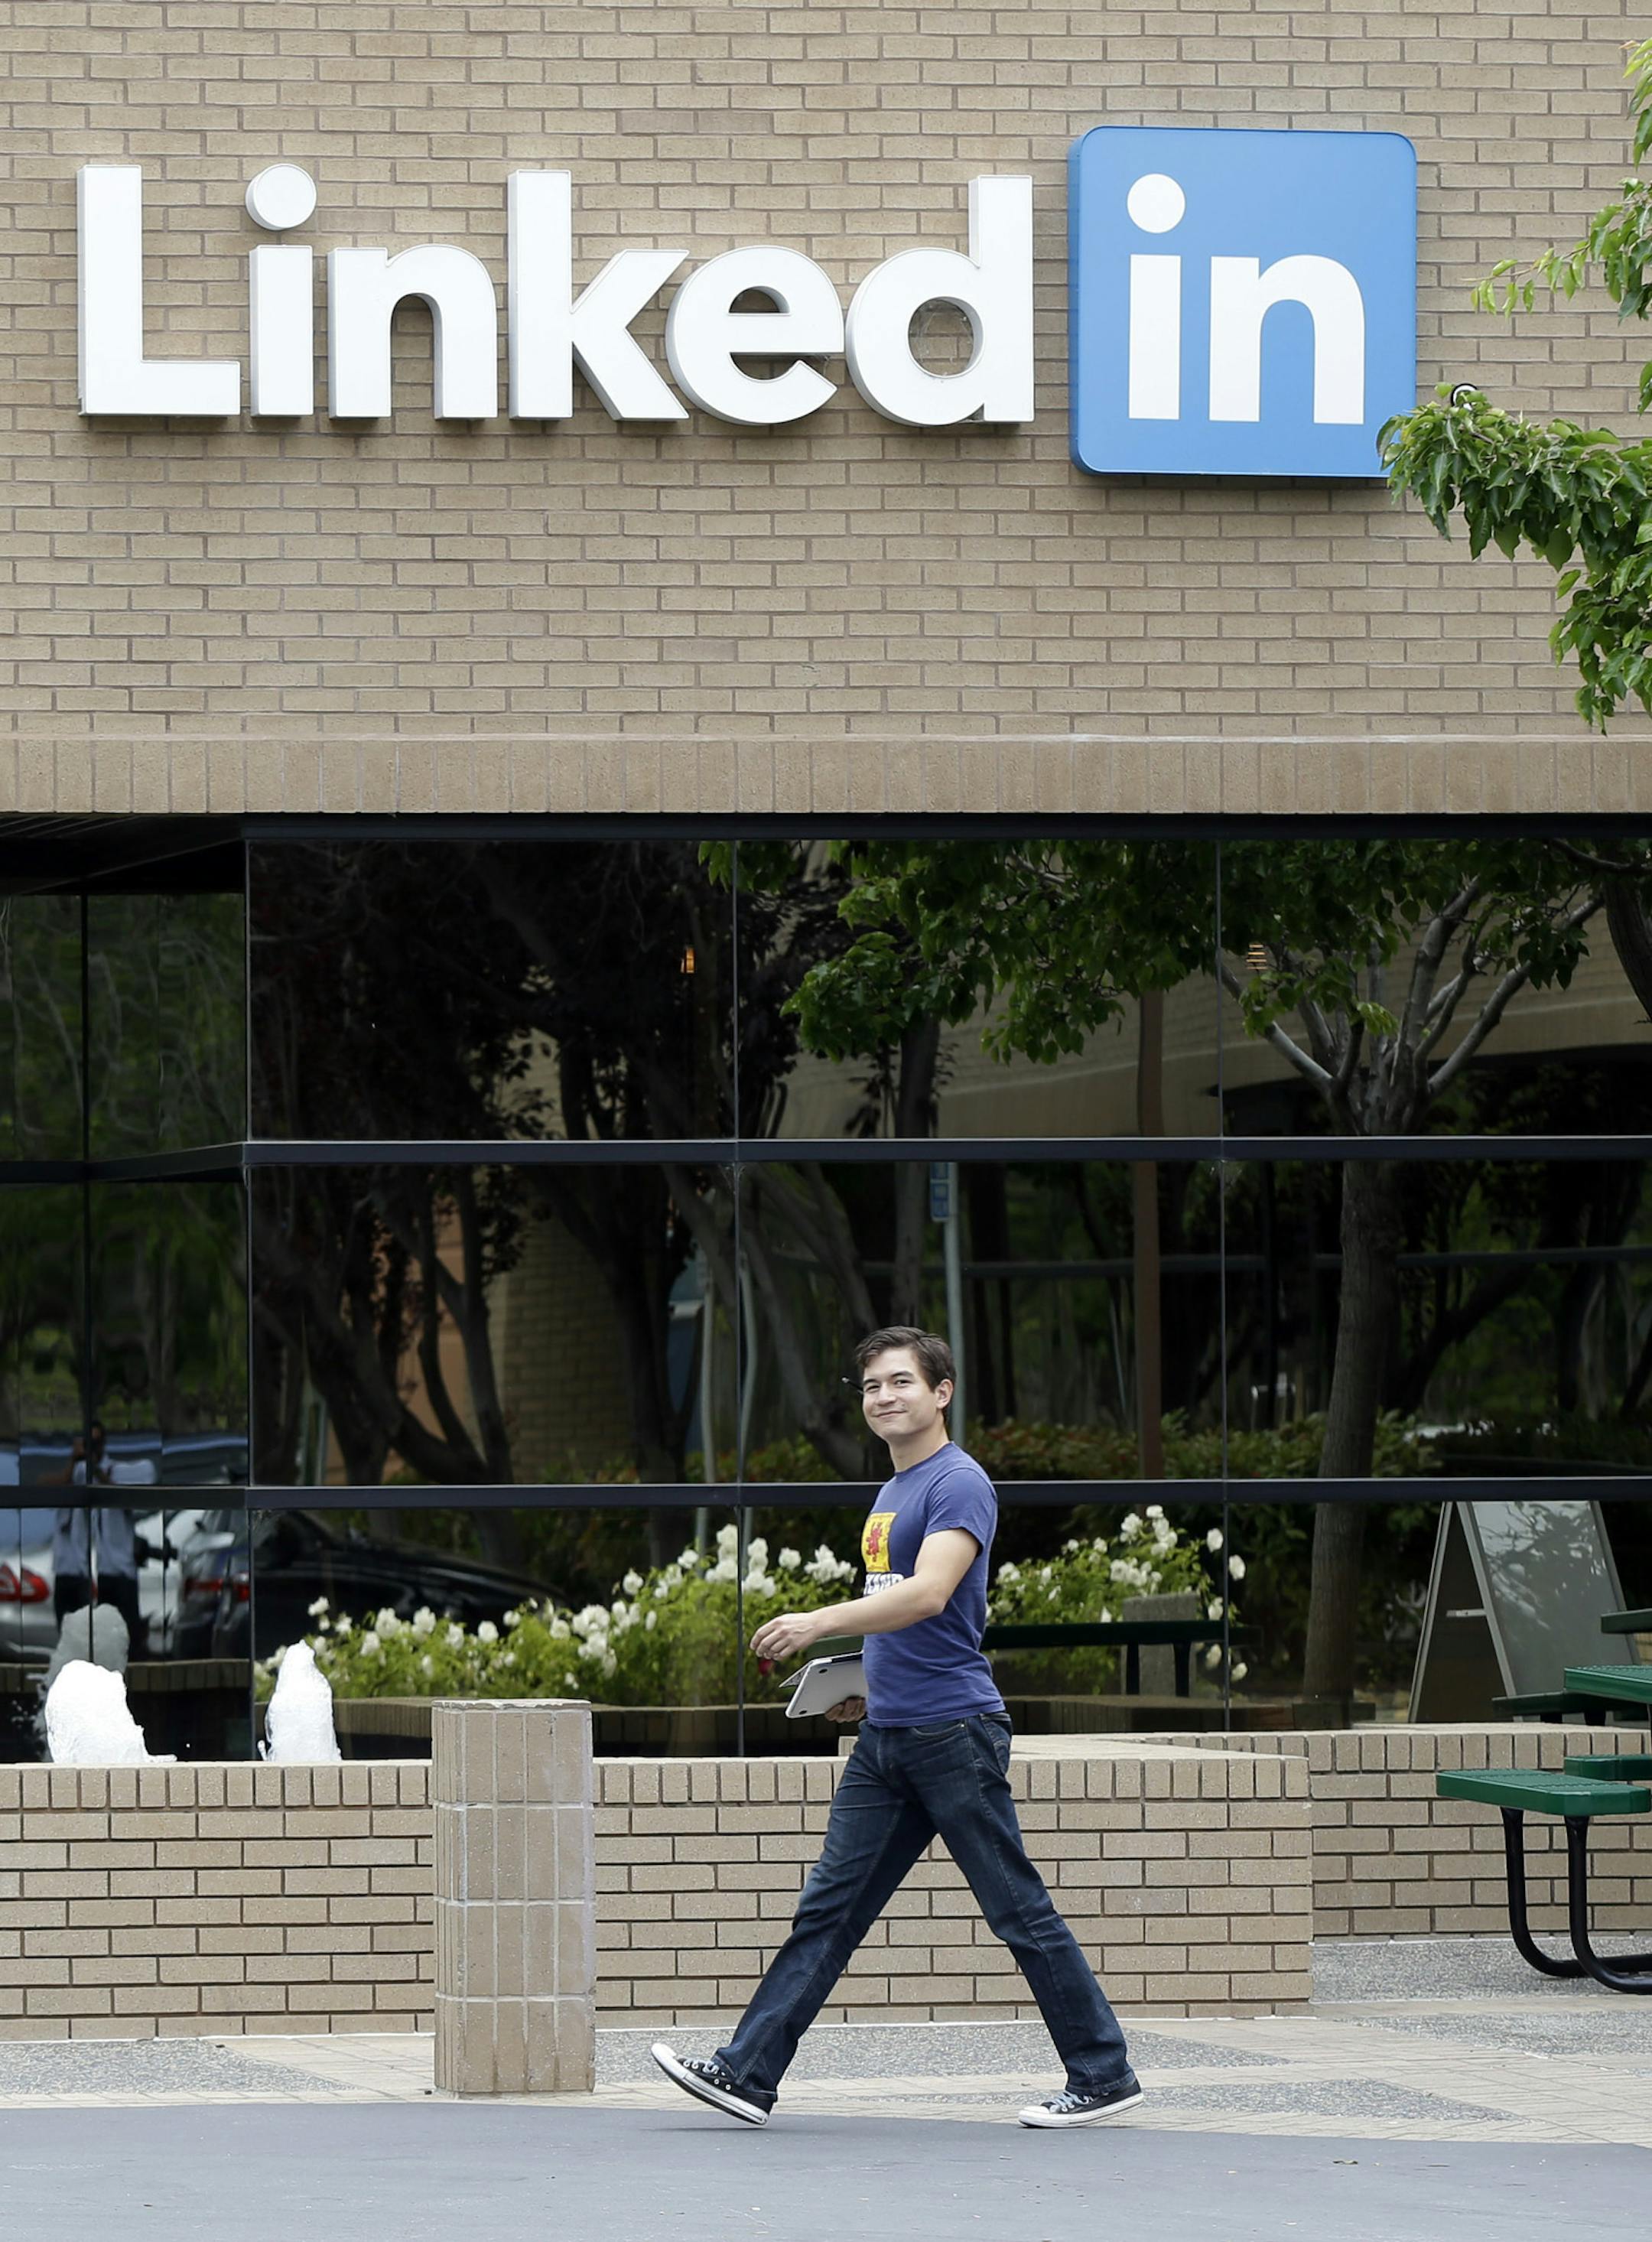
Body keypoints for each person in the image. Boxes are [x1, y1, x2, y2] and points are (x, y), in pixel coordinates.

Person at [652, 1326, 1141, 2131]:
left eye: (901, 1382)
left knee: (1018, 1912)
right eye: (873, 1385)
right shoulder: (892, 1492)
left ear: (940, 1393)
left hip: (953, 1733)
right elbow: (906, 1626)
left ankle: (1103, 2071)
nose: (883, 1395)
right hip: (889, 1737)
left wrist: (818, 1623)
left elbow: (928, 1597)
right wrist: (866, 1690)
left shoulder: (959, 1483)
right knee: (828, 1912)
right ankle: (746, 2073)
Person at [48, 1423, 157, 1656]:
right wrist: (73, 1461)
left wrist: (95, 1468)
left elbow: (122, 1498)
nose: (91, 1448)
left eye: (95, 1443)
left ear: (103, 1444)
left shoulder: (115, 1470)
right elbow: (49, 1489)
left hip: (120, 1570)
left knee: (128, 1642)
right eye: (88, 1443)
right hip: (94, 1572)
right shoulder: (77, 1472)